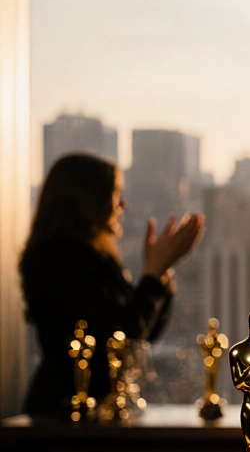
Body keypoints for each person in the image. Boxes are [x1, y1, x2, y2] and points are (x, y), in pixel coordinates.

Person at [20, 153, 204, 415]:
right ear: (89, 200)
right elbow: (119, 338)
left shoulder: (97, 260)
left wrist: (160, 273)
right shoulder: (59, 262)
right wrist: (153, 274)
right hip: (66, 412)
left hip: (93, 410)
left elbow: (142, 334)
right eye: (115, 193)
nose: (123, 204)